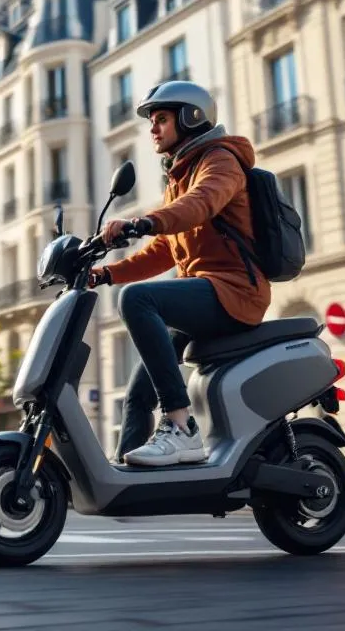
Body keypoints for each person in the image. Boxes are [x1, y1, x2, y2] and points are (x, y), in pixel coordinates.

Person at [89, 81, 270, 467]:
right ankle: (123, 484)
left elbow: (201, 204)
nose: (153, 129)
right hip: (203, 294)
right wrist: (104, 274)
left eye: (161, 119)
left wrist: (143, 221)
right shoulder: (178, 177)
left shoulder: (220, 161)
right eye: (152, 122)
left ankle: (181, 427)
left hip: (234, 292)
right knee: (139, 393)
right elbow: (163, 251)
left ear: (191, 117)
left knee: (137, 299)